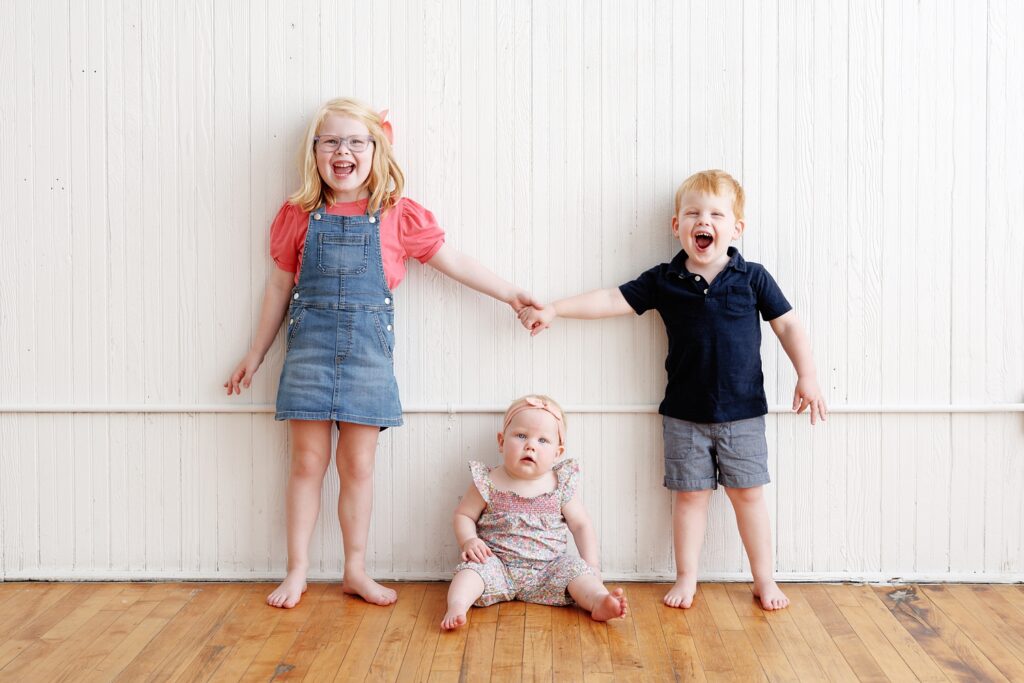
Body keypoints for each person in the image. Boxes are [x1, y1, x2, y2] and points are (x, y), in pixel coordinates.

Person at [225, 97, 540, 609]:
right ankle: (298, 570)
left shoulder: (395, 215)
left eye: (355, 140)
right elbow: (279, 289)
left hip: (368, 361)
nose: (342, 150)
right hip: (308, 356)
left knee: (359, 468)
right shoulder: (298, 214)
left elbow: (453, 260)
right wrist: (255, 354)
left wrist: (509, 293)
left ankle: (355, 570)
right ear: (315, 152)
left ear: (377, 150)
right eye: (330, 140)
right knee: (307, 463)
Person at [519, 170, 827, 611]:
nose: (705, 220)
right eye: (693, 213)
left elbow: (788, 324)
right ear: (676, 225)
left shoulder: (752, 277)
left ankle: (764, 579)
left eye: (717, 214)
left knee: (749, 496)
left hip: (743, 414)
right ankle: (687, 577)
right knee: (690, 497)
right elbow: (611, 299)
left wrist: (808, 375)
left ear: (736, 228)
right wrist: (555, 309)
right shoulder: (666, 279)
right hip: (684, 415)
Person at [441, 395, 628, 630]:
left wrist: (592, 565)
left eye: (543, 440)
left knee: (577, 571)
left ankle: (599, 601)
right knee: (469, 573)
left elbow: (580, 525)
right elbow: (463, 515)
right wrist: (469, 539)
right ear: (501, 441)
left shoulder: (560, 484)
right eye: (521, 436)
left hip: (550, 568)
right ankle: (457, 605)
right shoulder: (487, 481)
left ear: (557, 453)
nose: (530, 445)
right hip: (497, 565)